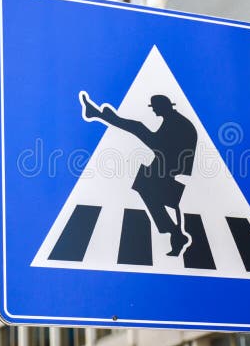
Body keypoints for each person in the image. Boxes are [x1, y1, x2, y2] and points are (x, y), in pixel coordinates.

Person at [80, 91, 197, 256]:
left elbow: (160, 142)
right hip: (167, 161)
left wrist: (119, 122)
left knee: (138, 129)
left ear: (162, 107)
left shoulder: (176, 122)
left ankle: (176, 233)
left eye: (155, 108)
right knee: (147, 188)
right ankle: (176, 234)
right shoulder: (172, 119)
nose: (153, 111)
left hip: (171, 164)